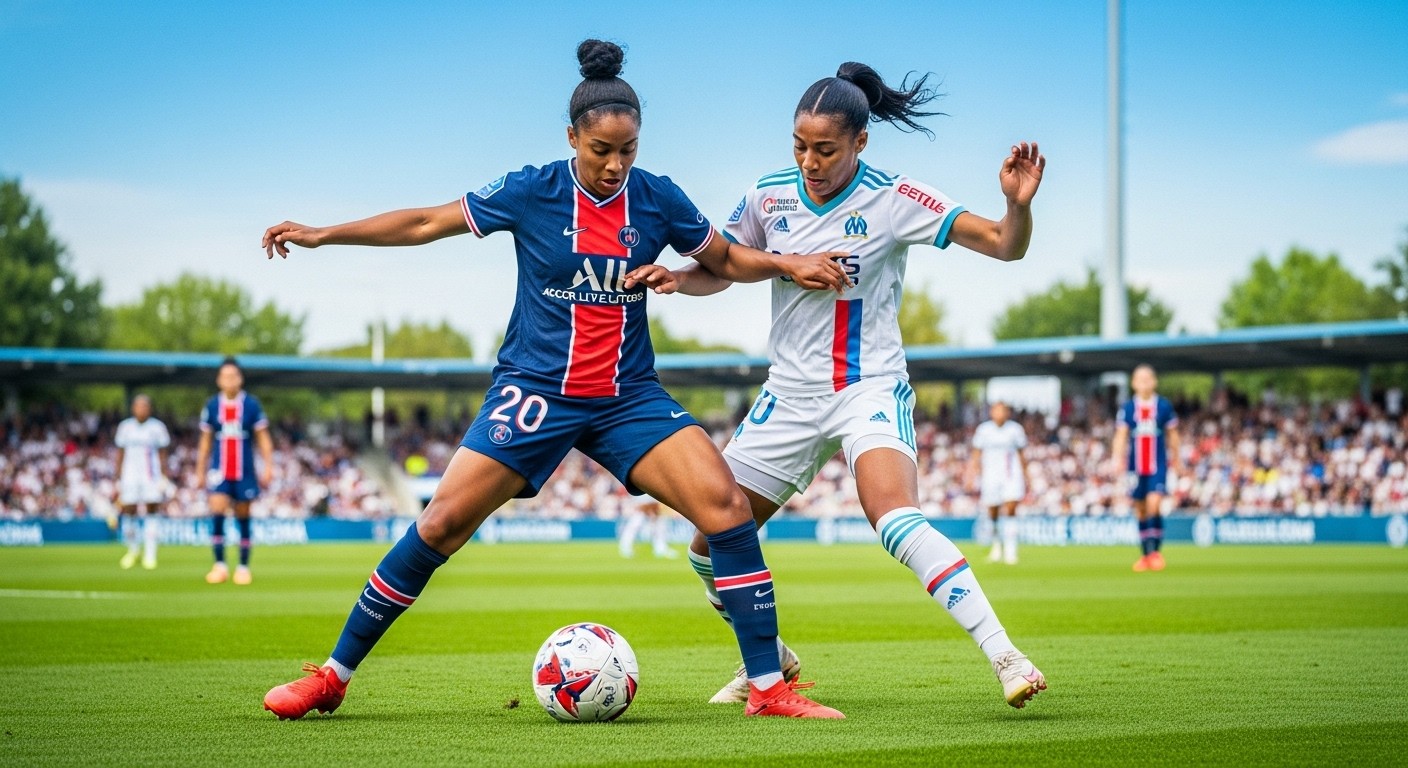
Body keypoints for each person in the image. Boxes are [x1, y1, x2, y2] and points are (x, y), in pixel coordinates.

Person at [259, 40, 850, 721]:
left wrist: (786, 263)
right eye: (601, 149)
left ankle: (769, 691)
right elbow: (426, 222)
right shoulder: (532, 190)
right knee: (443, 522)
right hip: (536, 391)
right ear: (572, 137)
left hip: (628, 397)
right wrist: (324, 234)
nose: (615, 164)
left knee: (727, 509)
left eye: (627, 149)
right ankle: (332, 677)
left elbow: (723, 257)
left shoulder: (657, 198)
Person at [632, 62, 1048, 708]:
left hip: (869, 388)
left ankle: (1007, 656)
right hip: (789, 396)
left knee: (894, 518)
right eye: (799, 146)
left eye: (824, 149)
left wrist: (1015, 208)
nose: (808, 161)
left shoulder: (894, 197)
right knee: (707, 546)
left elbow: (1002, 245)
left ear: (860, 143)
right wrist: (678, 278)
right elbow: (725, 264)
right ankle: (770, 661)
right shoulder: (767, 196)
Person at [196, 357, 273, 586]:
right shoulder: (212, 405)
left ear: (240, 379)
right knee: (217, 510)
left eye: (234, 376)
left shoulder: (251, 404)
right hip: (219, 470)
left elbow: (263, 438)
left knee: (243, 515)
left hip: (245, 471)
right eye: (225, 376)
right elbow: (205, 440)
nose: (230, 380)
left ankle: (242, 567)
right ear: (219, 380)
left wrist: (269, 466)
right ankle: (219, 566)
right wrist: (200, 469)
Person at [1110, 364, 1183, 572]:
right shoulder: (1128, 408)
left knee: (1154, 504)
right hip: (1135, 466)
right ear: (1133, 383)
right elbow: (1121, 435)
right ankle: (1144, 555)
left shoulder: (1163, 406)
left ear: (1154, 381)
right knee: (1140, 509)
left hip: (1157, 464)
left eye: (1147, 379)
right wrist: (1116, 458)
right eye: (1139, 379)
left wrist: (1177, 459)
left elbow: (1173, 435)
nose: (1143, 383)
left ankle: (1155, 553)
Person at [113, 394, 171, 570]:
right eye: (138, 406)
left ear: (150, 409)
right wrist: (118, 477)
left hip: (150, 476)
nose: (141, 409)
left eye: (144, 406)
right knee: (129, 510)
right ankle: (133, 550)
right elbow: (120, 453)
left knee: (152, 510)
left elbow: (162, 453)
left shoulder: (157, 428)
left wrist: (164, 475)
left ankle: (150, 553)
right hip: (130, 476)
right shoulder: (125, 427)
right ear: (133, 409)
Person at [969, 401, 1029, 565]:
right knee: (993, 511)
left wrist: (1026, 474)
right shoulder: (984, 430)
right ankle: (996, 546)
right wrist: (972, 474)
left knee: (1010, 509)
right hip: (990, 476)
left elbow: (1022, 453)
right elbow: (976, 453)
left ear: (1007, 413)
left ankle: (1011, 550)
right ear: (992, 413)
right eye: (997, 410)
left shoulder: (1015, 430)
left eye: (1003, 411)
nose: (1000, 414)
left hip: (1011, 474)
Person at [618, 492, 678, 559]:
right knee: (634, 525)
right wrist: (648, 509)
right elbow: (641, 502)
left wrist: (654, 510)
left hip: (655, 506)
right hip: (642, 505)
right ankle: (625, 548)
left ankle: (660, 548)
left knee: (660, 527)